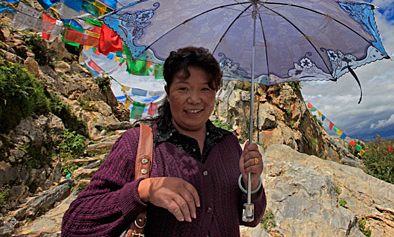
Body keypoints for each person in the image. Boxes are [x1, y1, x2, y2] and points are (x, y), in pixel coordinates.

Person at [61, 47, 266, 236]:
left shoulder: (228, 144)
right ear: (168, 91)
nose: (194, 99)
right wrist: (144, 190)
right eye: (183, 88)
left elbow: (250, 219)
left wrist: (251, 184)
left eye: (205, 89)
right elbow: (75, 224)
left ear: (216, 92)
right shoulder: (138, 143)